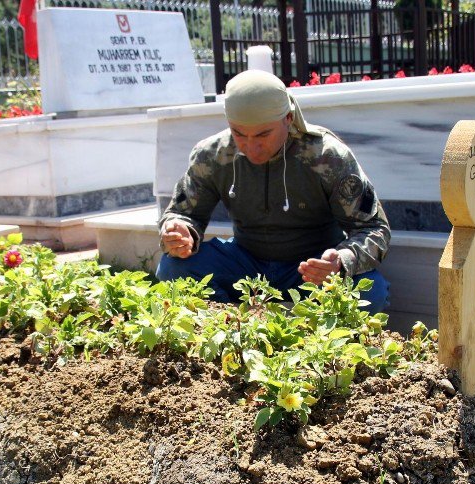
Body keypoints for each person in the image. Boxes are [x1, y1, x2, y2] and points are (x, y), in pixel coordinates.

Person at [157, 70, 390, 314]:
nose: (251, 146)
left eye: (263, 134)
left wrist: (341, 261)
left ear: (287, 118)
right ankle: (229, 328)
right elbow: (182, 214)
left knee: (370, 293)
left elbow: (375, 229)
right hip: (244, 264)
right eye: (239, 133)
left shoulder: (327, 157)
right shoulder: (213, 155)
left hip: (312, 271)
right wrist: (179, 231)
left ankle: (316, 341)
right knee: (174, 270)